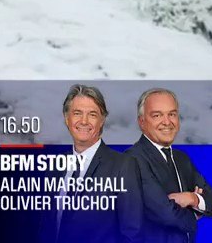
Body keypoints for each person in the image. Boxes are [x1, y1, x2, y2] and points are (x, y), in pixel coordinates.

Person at [44, 84, 143, 243]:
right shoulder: (55, 166)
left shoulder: (123, 166)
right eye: (77, 113)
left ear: (102, 120)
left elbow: (132, 235)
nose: (84, 121)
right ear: (66, 118)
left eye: (92, 114)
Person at [127, 88, 212, 242]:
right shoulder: (132, 160)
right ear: (142, 122)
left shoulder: (182, 159)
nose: (167, 122)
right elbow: (166, 214)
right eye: (157, 115)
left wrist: (192, 198)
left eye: (172, 114)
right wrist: (195, 214)